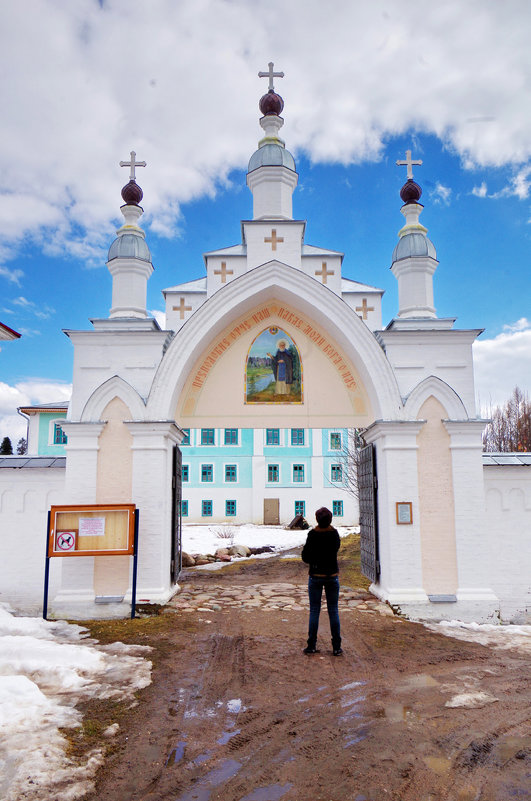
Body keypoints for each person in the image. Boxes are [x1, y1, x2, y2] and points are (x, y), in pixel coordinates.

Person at [301, 506, 342, 656]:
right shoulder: (334, 534)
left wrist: (315, 560)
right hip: (332, 576)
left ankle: (311, 645)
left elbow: (305, 557)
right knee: (333, 610)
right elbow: (336, 548)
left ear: (317, 519)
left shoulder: (313, 535)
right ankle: (336, 646)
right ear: (330, 519)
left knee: (314, 610)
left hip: (316, 576)